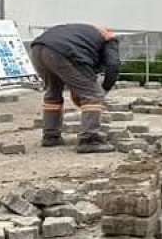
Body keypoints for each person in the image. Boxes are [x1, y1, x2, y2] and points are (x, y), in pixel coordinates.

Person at [29, 23, 121, 154]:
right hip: (63, 51)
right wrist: (103, 90)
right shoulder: (109, 40)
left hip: (38, 49)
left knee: (53, 93)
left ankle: (51, 136)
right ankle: (89, 140)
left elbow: (79, 74)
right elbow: (113, 65)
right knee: (93, 95)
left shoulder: (84, 35)